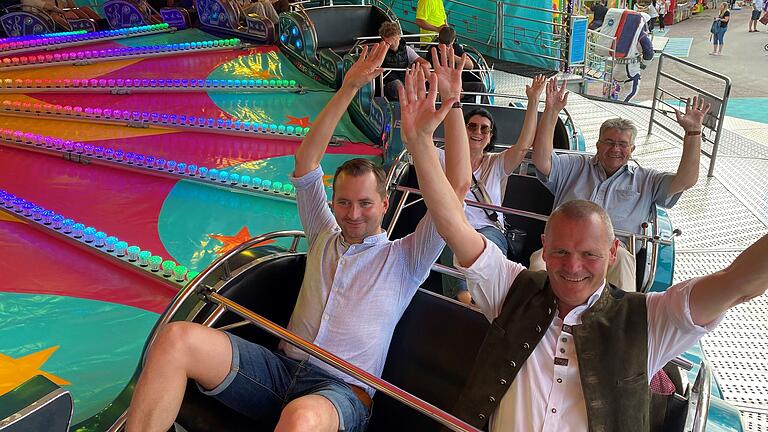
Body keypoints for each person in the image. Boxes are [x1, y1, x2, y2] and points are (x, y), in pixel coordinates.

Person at [397, 66, 768, 432]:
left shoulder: (647, 321)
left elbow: (736, 283)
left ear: (610, 252)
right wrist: (421, 142)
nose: (572, 266)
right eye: (560, 252)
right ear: (545, 244)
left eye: (589, 254)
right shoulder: (514, 289)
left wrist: (692, 134)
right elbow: (452, 220)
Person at [124, 42, 468, 432]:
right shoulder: (323, 233)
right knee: (175, 340)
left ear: (386, 205)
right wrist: (349, 87)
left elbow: (455, 189)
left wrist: (453, 105)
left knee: (300, 417)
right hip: (277, 371)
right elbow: (307, 164)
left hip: (340, 394)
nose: (353, 214)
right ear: (334, 203)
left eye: (365, 204)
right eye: (344, 203)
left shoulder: (405, 258)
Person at [530, 79, 710, 292]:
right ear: (597, 145)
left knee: (624, 263)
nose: (615, 149)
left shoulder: (646, 180)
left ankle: (620, 322)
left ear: (631, 149)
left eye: (622, 144)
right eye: (609, 142)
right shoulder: (574, 166)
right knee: (537, 265)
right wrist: (551, 111)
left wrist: (693, 133)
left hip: (612, 253)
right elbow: (542, 160)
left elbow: (686, 180)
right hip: (564, 246)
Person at [437, 74, 546, 304]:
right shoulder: (442, 159)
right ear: (461, 130)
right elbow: (415, 142)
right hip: (453, 226)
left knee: (484, 249)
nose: (477, 132)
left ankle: (476, 302)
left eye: (484, 129)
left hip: (489, 229)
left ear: (489, 138)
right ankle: (464, 302)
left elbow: (523, 145)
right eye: (472, 126)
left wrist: (534, 100)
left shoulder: (495, 163)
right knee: (450, 238)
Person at [379, 21, 431, 100]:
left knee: (419, 82)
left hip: (406, 80)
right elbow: (376, 65)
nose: (392, 44)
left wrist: (421, 68)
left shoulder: (406, 49)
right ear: (384, 39)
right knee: (398, 86)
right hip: (388, 82)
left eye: (394, 40)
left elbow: (426, 64)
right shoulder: (380, 51)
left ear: (399, 37)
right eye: (389, 42)